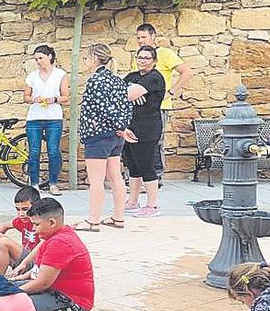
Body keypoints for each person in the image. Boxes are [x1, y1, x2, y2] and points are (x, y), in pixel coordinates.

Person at [74, 43, 132, 232]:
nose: (84, 62)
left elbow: (103, 108)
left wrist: (113, 125)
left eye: (85, 58)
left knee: (96, 180)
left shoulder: (95, 81)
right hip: (115, 136)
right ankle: (118, 217)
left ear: (93, 59)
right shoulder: (117, 80)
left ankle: (93, 220)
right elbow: (126, 106)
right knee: (116, 176)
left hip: (98, 136)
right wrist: (122, 128)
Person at [18, 198, 94, 311]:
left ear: (52, 222)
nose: (34, 230)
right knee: (1, 291)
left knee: (11, 308)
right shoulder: (56, 235)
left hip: (71, 300)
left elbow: (42, 283)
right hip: (53, 290)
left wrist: (13, 293)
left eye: (36, 225)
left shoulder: (60, 242)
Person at [133, 23, 195, 180]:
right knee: (137, 140)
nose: (140, 40)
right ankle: (138, 176)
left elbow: (187, 72)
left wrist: (172, 91)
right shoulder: (139, 56)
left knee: (155, 142)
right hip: (139, 108)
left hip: (159, 106)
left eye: (144, 37)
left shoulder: (165, 54)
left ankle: (156, 177)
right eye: (138, 37)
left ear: (153, 36)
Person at [123, 46, 167, 218]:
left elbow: (128, 94)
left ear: (154, 61)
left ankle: (152, 205)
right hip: (130, 127)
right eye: (140, 57)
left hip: (148, 128)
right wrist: (132, 90)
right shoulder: (133, 76)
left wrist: (132, 91)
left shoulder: (155, 78)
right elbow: (118, 92)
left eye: (147, 58)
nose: (143, 61)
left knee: (146, 165)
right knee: (133, 165)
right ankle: (132, 202)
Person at [24, 45, 69, 195]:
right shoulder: (32, 76)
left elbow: (66, 96)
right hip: (34, 118)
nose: (38, 62)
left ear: (49, 57)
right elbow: (26, 97)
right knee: (34, 151)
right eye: (36, 59)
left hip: (53, 118)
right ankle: (34, 184)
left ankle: (53, 184)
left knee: (53, 150)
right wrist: (33, 99)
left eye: (41, 58)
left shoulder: (60, 75)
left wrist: (54, 99)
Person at [0, 186, 41, 275]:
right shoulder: (23, 220)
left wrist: (24, 263)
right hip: (24, 257)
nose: (21, 214)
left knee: (3, 243)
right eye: (18, 209)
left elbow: (43, 245)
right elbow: (4, 225)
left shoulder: (41, 221)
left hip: (35, 261)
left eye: (25, 209)